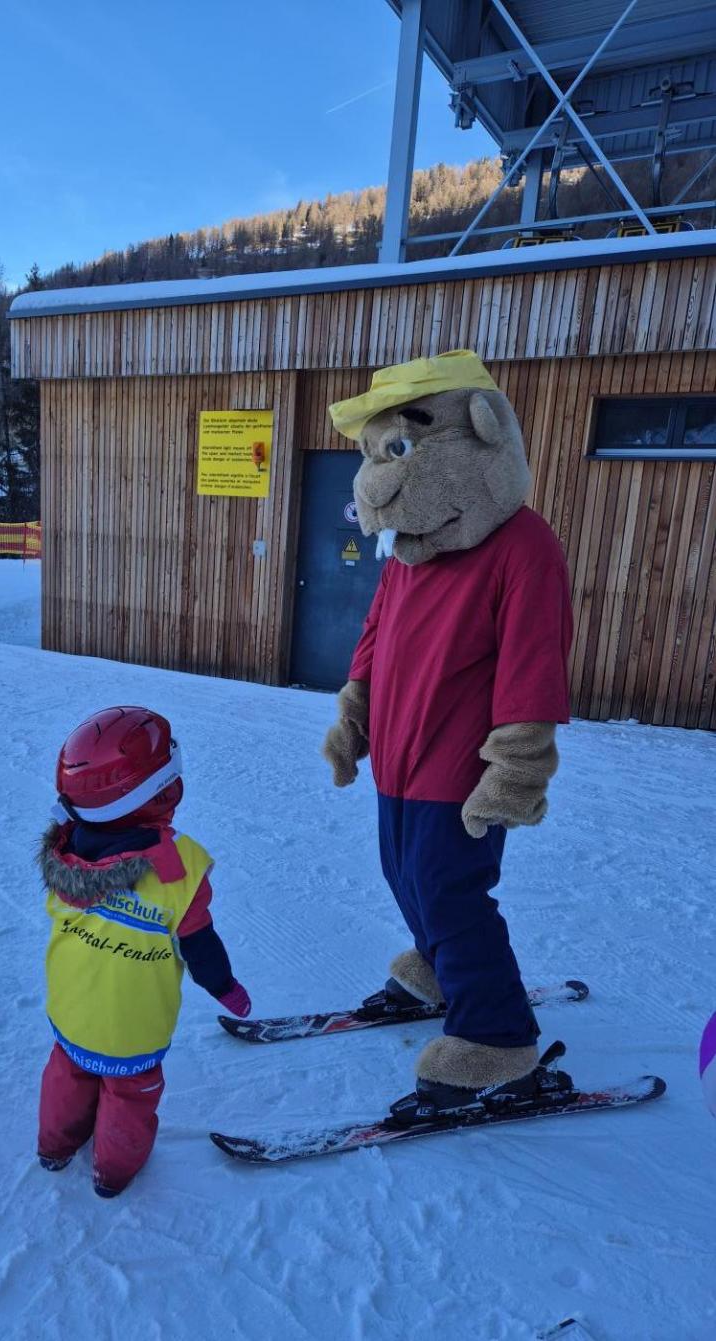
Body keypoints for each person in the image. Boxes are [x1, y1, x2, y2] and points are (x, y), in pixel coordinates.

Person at [323, 352, 573, 1122]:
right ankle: (439, 969)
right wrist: (353, 711)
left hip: (461, 767)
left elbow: (535, 661)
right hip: (399, 755)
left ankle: (498, 1037)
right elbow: (375, 635)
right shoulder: (409, 550)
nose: (379, 480)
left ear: (481, 435)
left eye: (401, 449)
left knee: (450, 886)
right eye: (377, 455)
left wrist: (518, 766)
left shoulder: (523, 545)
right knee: (402, 870)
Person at [37, 705, 251, 1197]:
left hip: (71, 1007)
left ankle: (54, 1147)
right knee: (130, 1095)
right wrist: (225, 987)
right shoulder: (178, 869)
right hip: (132, 1024)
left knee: (68, 1075)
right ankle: (113, 1172)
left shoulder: (64, 851)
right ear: (163, 791)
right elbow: (200, 944)